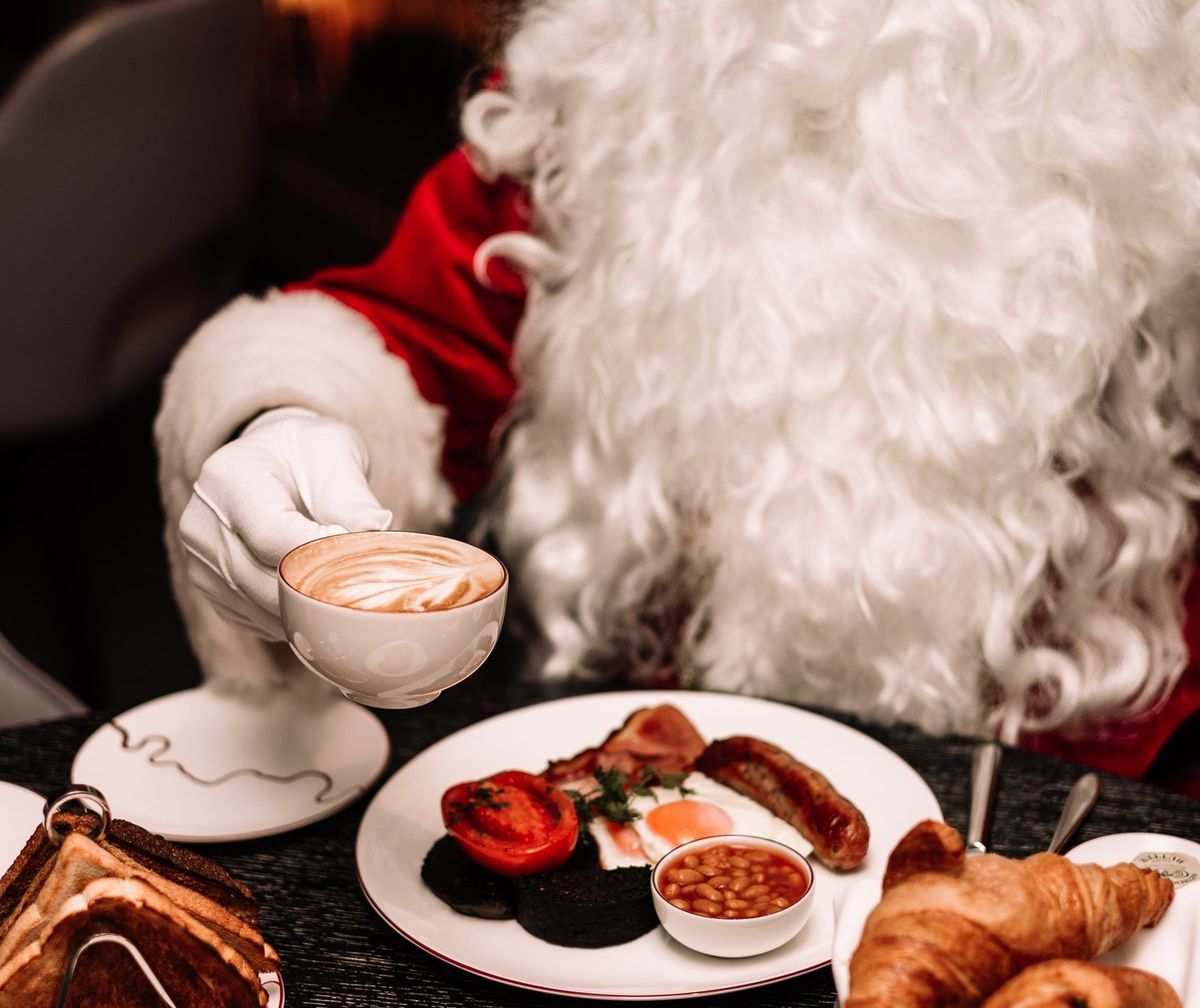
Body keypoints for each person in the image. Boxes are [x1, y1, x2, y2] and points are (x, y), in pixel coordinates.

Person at [156, 0, 1200, 791]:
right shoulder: (626, 50)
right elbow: (416, 327)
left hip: (1086, 845)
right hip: (650, 835)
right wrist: (286, 423)